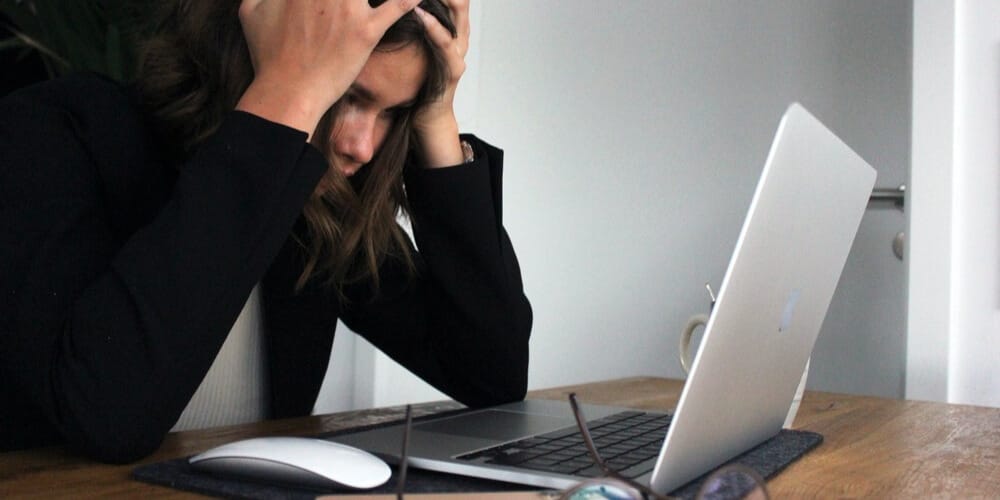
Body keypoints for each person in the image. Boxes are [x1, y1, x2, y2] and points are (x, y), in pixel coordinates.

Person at [0, 0, 531, 463]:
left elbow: (491, 375)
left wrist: (436, 116)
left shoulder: (315, 207)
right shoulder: (54, 133)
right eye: (347, 93)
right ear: (255, 44)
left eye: (392, 112)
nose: (362, 146)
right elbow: (108, 418)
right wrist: (288, 94)